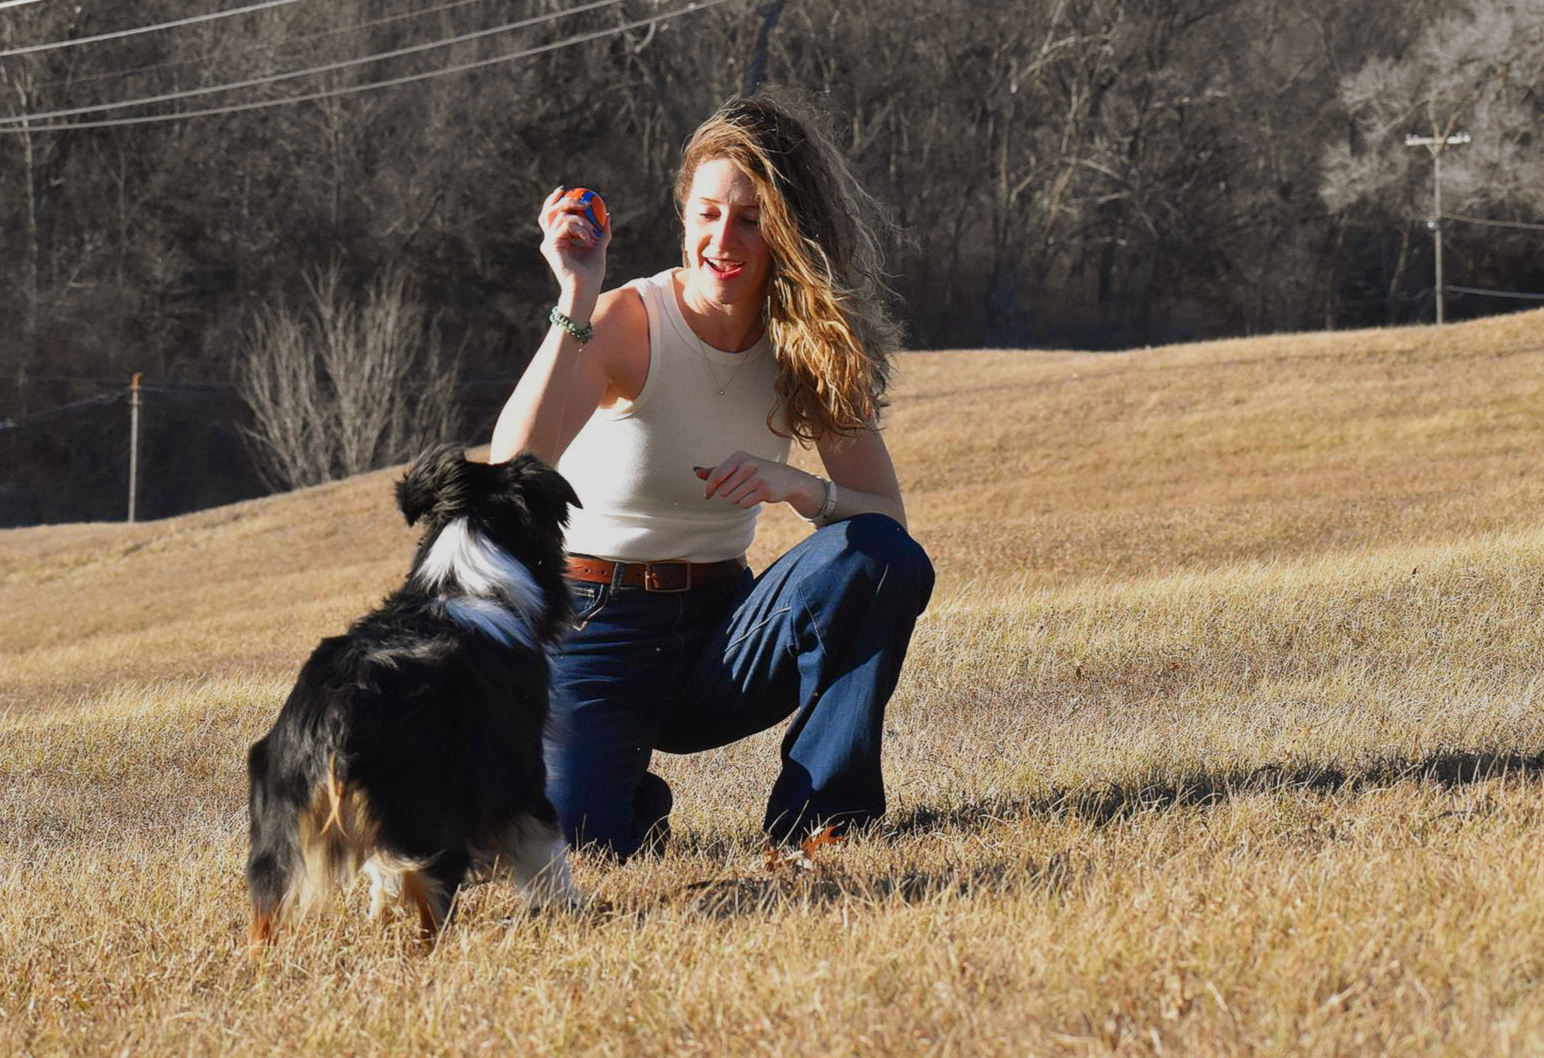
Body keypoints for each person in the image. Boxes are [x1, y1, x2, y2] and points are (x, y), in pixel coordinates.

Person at [488, 93, 934, 861]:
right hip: (597, 624)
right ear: (684, 217)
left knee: (879, 559)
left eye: (751, 219)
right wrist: (574, 298)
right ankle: (625, 794)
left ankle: (824, 821)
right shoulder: (629, 322)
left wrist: (798, 488)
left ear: (788, 230)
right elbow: (511, 469)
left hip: (721, 630)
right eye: (707, 214)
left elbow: (886, 522)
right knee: (581, 847)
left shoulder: (809, 341)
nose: (723, 240)